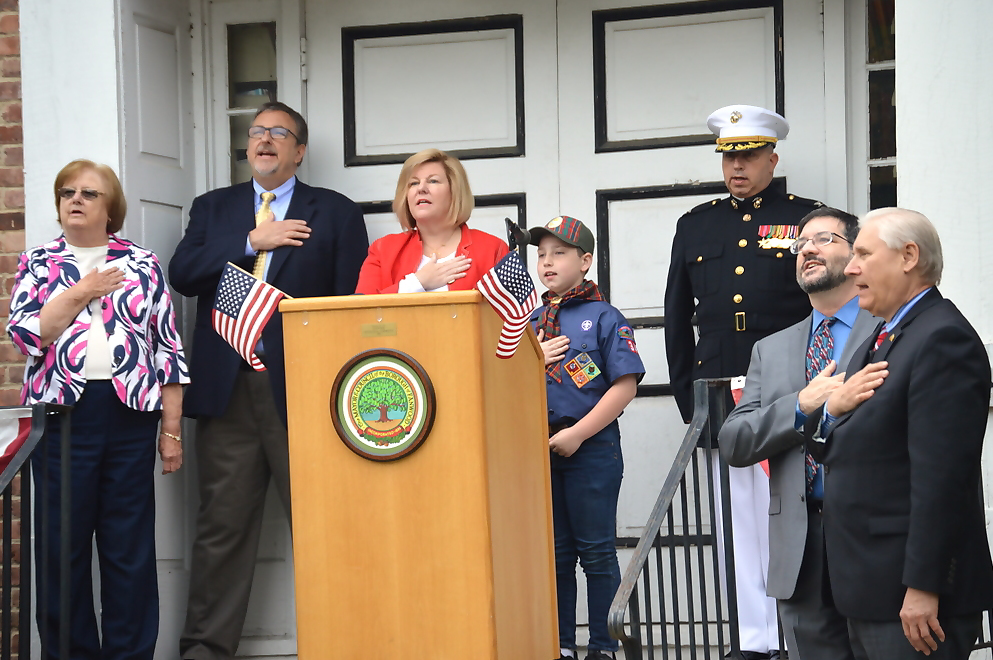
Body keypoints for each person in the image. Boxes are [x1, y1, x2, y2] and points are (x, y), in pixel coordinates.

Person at [169, 101, 368, 660]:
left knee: (323, 525)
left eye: (279, 133)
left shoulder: (335, 213)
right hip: (227, 387)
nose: (265, 140)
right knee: (221, 528)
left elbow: (351, 303)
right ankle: (205, 649)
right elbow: (182, 275)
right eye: (257, 132)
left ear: (299, 151)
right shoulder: (214, 209)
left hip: (305, 391)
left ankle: (346, 642)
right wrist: (253, 242)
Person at [7, 159, 189, 659]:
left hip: (130, 415)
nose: (76, 200)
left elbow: (167, 349)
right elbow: (28, 335)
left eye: (89, 193)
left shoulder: (142, 263)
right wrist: (82, 290)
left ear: (111, 207)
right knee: (61, 549)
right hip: (64, 419)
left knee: (128, 548)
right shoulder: (40, 263)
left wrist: (171, 428)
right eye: (67, 192)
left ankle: (131, 653)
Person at [664, 104, 822, 659]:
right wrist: (691, 403)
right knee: (737, 522)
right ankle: (755, 640)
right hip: (719, 394)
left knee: (794, 515)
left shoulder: (809, 220)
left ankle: (795, 635)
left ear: (772, 159)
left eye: (749, 155)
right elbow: (677, 317)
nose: (737, 166)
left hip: (787, 392)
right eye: (729, 156)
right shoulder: (696, 225)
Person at [804, 208, 993, 660]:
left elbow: (942, 479)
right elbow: (831, 446)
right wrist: (828, 410)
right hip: (869, 590)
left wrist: (924, 586)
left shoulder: (943, 339)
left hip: (912, 601)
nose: (851, 268)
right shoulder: (885, 336)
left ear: (909, 256)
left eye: (864, 255)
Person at [719, 208, 876, 660]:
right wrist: (800, 406)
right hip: (800, 554)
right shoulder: (770, 349)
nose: (806, 248)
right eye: (801, 244)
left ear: (856, 254)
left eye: (823, 239)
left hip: (875, 548)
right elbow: (735, 440)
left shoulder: (888, 327)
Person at [529, 216, 644, 660]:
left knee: (596, 553)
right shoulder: (531, 321)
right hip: (541, 450)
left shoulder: (603, 317)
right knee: (555, 556)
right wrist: (531, 359)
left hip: (590, 447)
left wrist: (577, 434)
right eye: (541, 254)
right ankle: (560, 646)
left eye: (559, 252)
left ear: (585, 261)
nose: (547, 262)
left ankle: (602, 648)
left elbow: (624, 385)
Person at [354, 148, 508, 294]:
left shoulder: (492, 249)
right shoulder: (383, 250)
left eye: (433, 181)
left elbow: (512, 317)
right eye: (414, 183)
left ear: (454, 191)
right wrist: (417, 283)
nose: (421, 188)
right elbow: (362, 314)